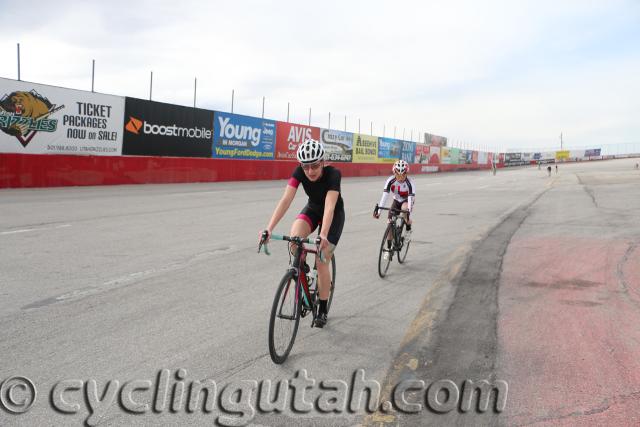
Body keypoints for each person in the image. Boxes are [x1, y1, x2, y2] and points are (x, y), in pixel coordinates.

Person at [261, 139, 344, 328]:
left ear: (322, 162)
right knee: (294, 237)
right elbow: (286, 200)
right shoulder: (299, 172)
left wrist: (323, 235)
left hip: (333, 216)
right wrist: (269, 228)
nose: (310, 171)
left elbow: (330, 207)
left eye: (314, 165)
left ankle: (322, 308)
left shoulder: (333, 174)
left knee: (322, 261)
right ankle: (302, 270)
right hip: (313, 209)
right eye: (305, 167)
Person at [373, 159, 415, 260]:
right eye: (398, 175)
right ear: (394, 173)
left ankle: (408, 231)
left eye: (403, 175)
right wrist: (378, 211)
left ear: (406, 173)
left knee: (405, 210)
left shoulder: (410, 183)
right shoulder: (390, 181)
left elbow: (410, 198)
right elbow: (384, 196)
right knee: (389, 223)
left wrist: (408, 211)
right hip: (396, 201)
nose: (400, 177)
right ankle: (388, 249)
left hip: (406, 201)